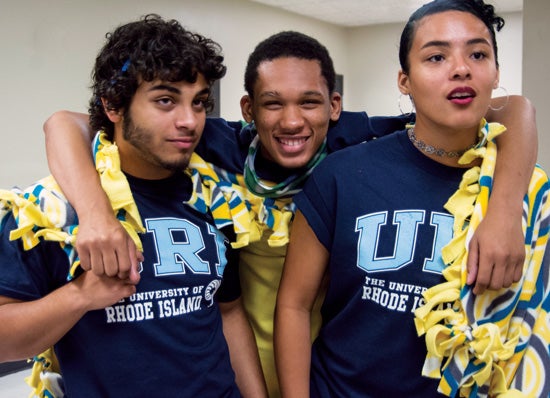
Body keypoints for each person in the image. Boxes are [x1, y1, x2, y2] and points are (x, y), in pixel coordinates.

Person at [43, 30, 537, 397]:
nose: (293, 121)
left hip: (322, 371)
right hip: (238, 371)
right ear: (248, 109)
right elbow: (64, 123)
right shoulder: (214, 145)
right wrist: (95, 213)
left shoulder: (355, 142)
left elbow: (513, 110)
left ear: (335, 105)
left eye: (311, 103)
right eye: (272, 104)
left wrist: (503, 212)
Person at [274, 0, 550, 397]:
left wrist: (505, 215)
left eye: (478, 54)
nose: (461, 68)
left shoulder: (526, 193)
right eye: (436, 56)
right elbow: (294, 306)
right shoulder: (343, 174)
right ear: (404, 80)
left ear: (496, 73)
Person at [0, 15, 267, 398]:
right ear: (113, 105)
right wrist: (80, 295)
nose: (189, 121)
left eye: (199, 103)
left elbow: (228, 312)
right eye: (165, 100)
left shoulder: (215, 198)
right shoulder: (50, 211)